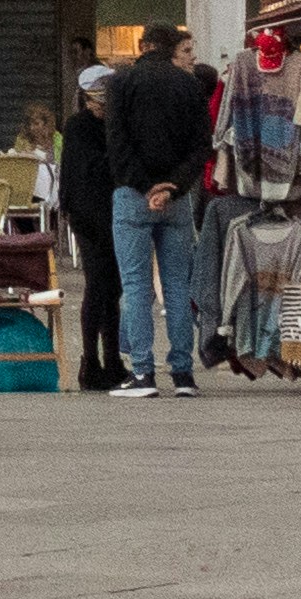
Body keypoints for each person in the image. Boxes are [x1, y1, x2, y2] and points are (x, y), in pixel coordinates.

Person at [100, 25, 217, 400]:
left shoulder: (120, 83)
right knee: (177, 287)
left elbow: (117, 144)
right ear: (172, 50)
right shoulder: (190, 85)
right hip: (176, 199)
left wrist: (145, 186)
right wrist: (172, 187)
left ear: (144, 46)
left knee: (135, 286)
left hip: (133, 196)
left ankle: (143, 373)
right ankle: (183, 374)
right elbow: (202, 146)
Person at [55, 65, 125, 391]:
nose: (100, 107)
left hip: (114, 213)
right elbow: (85, 170)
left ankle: (112, 360)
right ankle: (90, 360)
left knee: (114, 290)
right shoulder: (78, 126)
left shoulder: (117, 123)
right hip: (89, 215)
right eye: (96, 101)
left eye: (105, 101)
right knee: (98, 286)